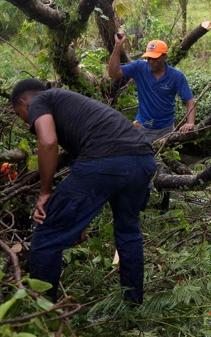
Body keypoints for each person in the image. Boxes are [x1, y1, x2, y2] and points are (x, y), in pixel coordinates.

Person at [10, 79, 157, 302]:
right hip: (143, 160)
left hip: (107, 160)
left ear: (23, 103)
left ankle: (40, 312)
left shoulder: (40, 100)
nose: (25, 121)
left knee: (46, 234)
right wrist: (78, 221)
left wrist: (45, 193)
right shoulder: (71, 104)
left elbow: (48, 142)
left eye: (19, 114)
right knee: (128, 232)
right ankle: (133, 306)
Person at [107, 32, 197, 142]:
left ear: (165, 57)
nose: (151, 61)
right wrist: (118, 46)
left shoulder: (176, 76)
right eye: (149, 58)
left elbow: (189, 101)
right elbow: (113, 73)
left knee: (165, 158)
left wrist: (190, 122)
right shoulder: (139, 68)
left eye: (155, 58)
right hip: (143, 128)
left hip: (166, 130)